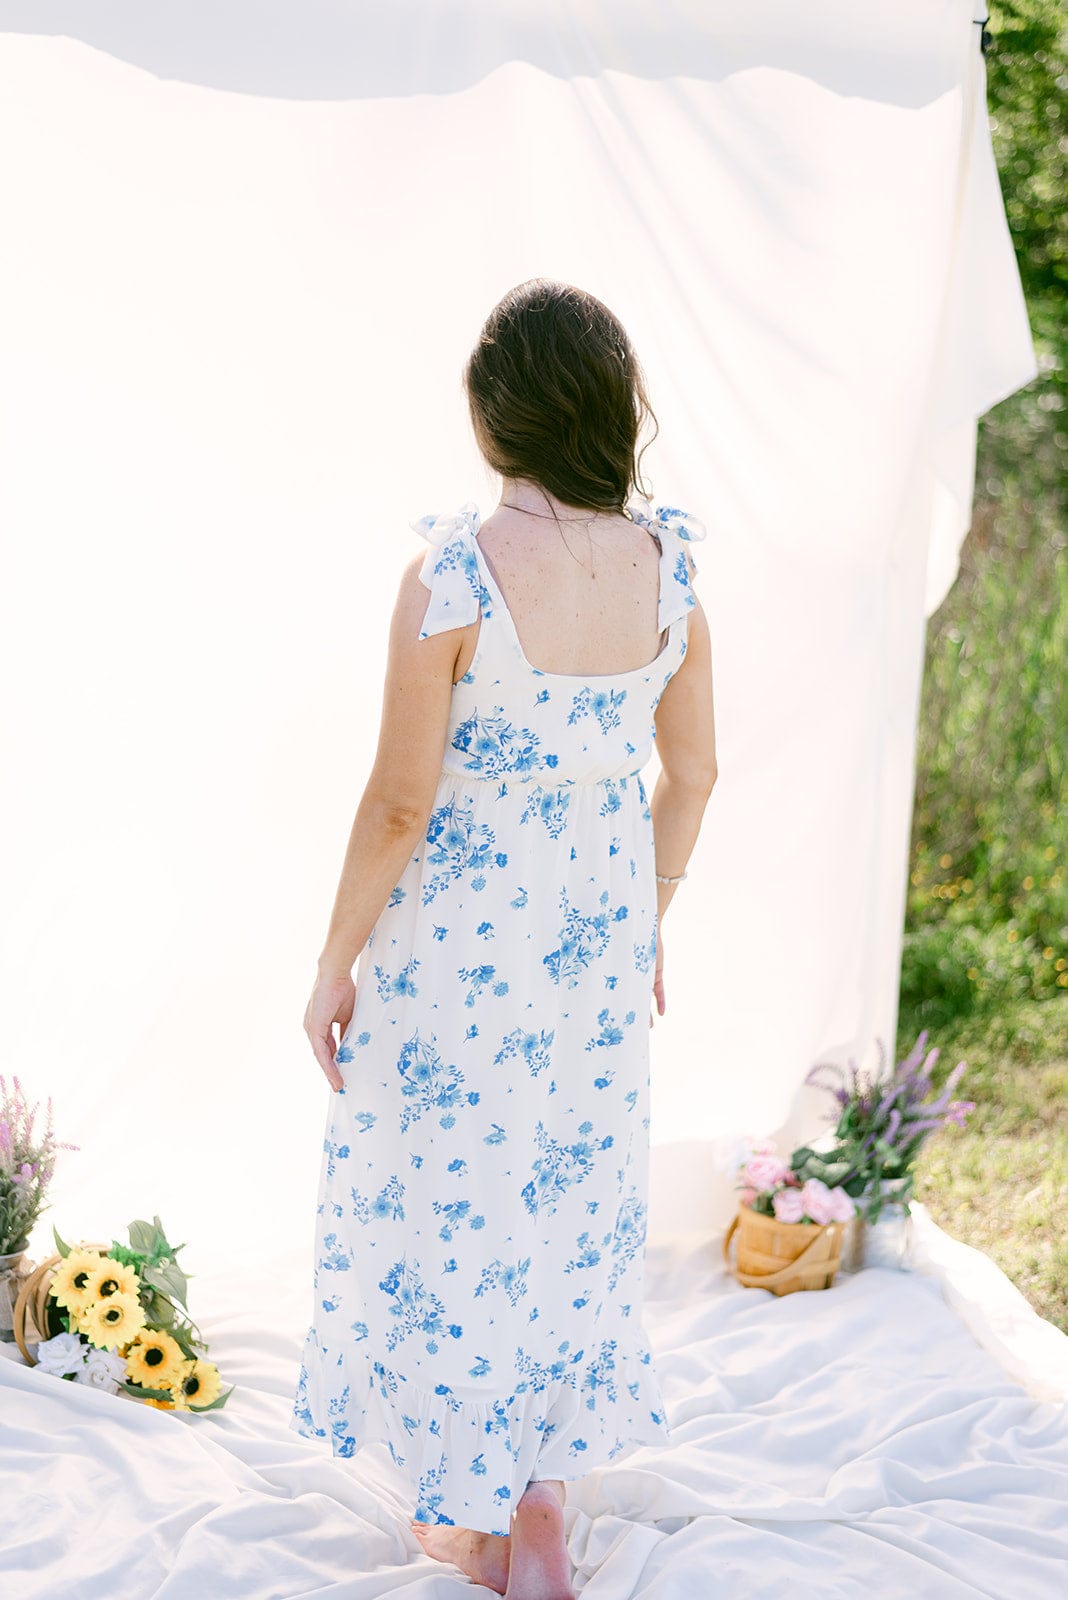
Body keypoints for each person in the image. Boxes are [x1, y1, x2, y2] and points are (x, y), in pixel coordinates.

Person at [291, 279, 718, 1600]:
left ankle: (471, 1522)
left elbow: (402, 798)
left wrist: (332, 962)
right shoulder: (671, 567)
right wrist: (643, 916)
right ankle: (542, 1492)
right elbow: (693, 775)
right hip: (595, 922)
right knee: (570, 1195)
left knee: (457, 1192)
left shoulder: (455, 574)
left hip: (461, 935)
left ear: (494, 416)